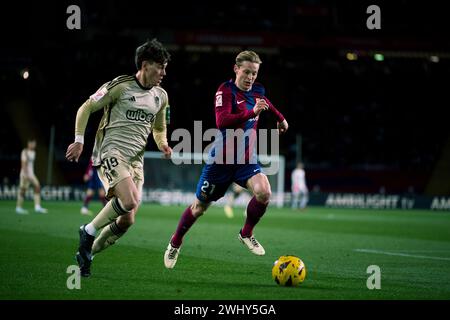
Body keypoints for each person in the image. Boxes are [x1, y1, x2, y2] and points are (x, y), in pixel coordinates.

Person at [164, 50, 288, 269]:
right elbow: (222, 122)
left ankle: (246, 233)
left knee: (264, 192)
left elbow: (265, 101)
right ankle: (175, 242)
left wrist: (280, 118)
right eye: (247, 72)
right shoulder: (225, 91)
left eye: (255, 73)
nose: (251, 77)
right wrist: (251, 113)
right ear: (236, 69)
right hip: (220, 162)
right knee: (198, 208)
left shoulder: (258, 91)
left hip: (246, 159)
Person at [65, 38, 172, 277]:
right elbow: (86, 107)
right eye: (160, 66)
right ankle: (88, 230)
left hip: (136, 162)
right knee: (130, 200)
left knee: (127, 220)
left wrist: (163, 144)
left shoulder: (161, 96)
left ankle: (87, 253)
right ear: (145, 65)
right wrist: (79, 140)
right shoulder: (120, 86)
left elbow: (159, 127)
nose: (164, 72)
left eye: (165, 67)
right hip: (110, 152)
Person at [15, 139, 48, 214]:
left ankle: (37, 207)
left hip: (31, 174)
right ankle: (18, 207)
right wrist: (25, 174)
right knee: (23, 190)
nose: (34, 145)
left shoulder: (33, 152)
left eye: (34, 144)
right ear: (29, 144)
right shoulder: (25, 152)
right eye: (32, 144)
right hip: (25, 174)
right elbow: (23, 164)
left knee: (37, 187)